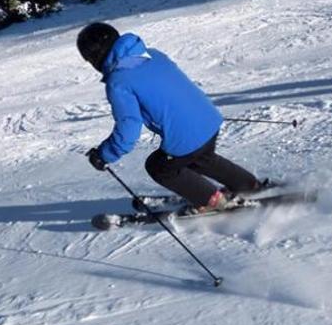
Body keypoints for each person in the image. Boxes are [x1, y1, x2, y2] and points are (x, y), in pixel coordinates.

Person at [77, 22, 261, 214]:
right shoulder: (152, 54)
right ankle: (247, 184)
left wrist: (105, 154)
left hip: (186, 134)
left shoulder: (119, 81)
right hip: (208, 118)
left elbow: (129, 129)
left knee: (160, 167)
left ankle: (215, 200)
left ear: (95, 57)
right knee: (200, 157)